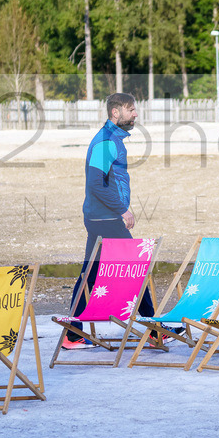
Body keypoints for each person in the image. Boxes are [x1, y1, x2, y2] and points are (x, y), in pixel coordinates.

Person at [63, 92, 152, 348]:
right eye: (131, 109)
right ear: (116, 113)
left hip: (100, 217)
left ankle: (72, 333)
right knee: (136, 269)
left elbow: (107, 181)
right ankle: (154, 328)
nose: (136, 114)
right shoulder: (105, 142)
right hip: (106, 217)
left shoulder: (110, 139)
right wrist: (122, 210)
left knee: (89, 275)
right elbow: (96, 184)